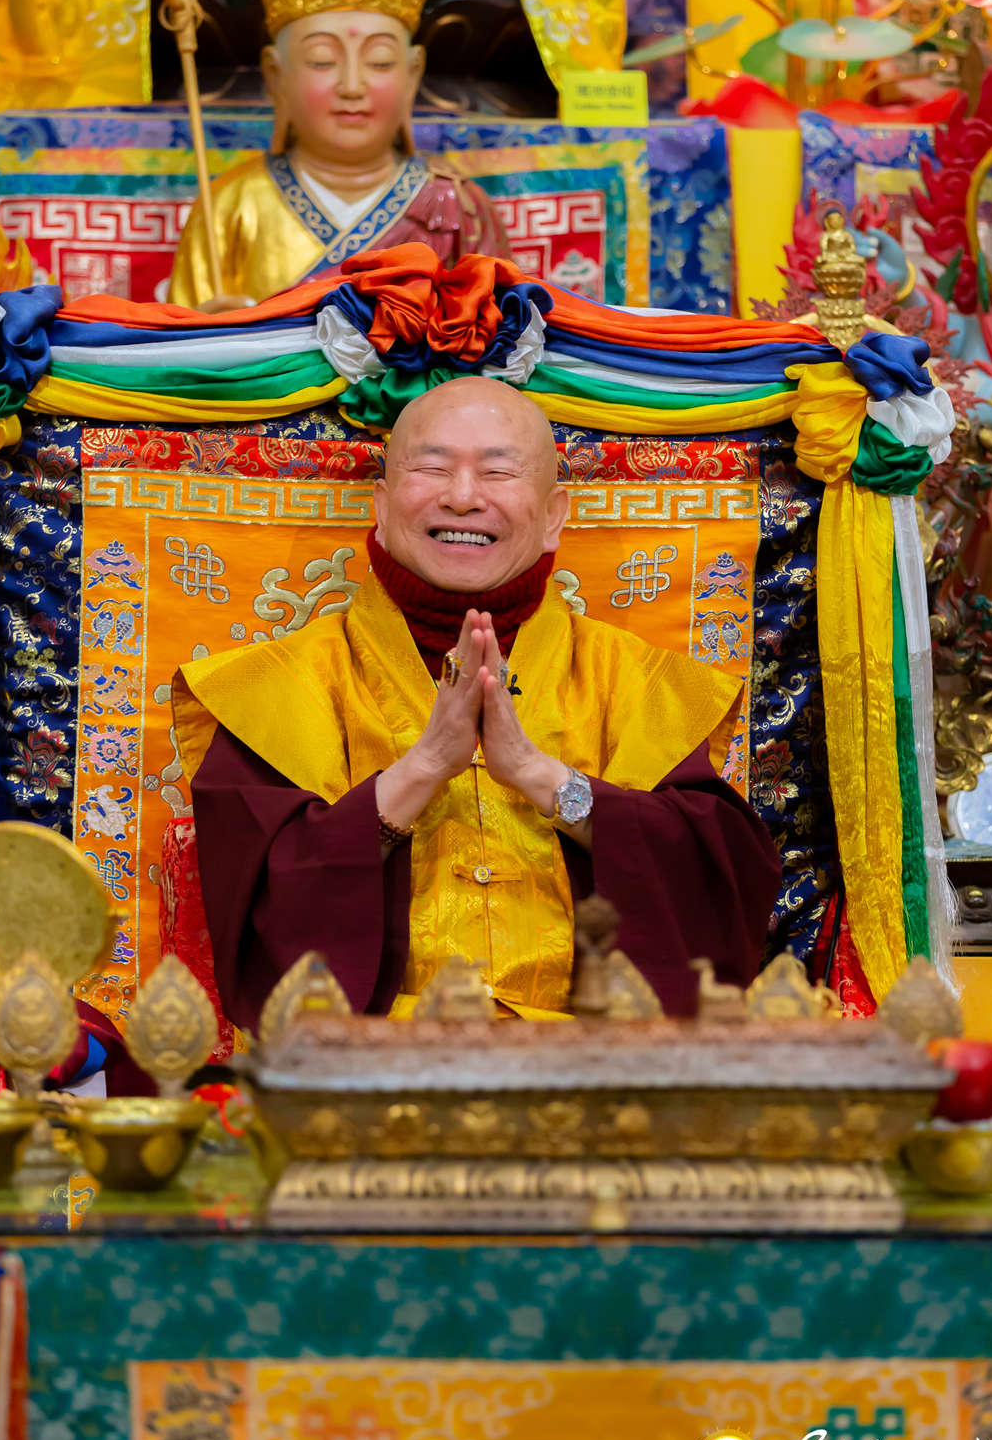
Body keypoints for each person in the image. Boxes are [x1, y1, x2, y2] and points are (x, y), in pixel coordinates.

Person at [172, 378, 781, 1026]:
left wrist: (543, 777)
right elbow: (257, 913)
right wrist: (422, 769)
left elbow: (715, 891)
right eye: (433, 468)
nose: (462, 497)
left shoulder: (636, 681)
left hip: (590, 1059)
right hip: (365, 1061)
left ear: (553, 515)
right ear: (381, 504)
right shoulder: (277, 685)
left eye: (498, 472)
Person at [167, 0, 507, 310]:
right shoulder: (230, 205)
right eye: (322, 60)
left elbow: (502, 332)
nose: (351, 85)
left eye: (379, 61)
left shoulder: (456, 208)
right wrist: (215, 329)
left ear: (412, 74)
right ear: (275, 76)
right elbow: (180, 342)